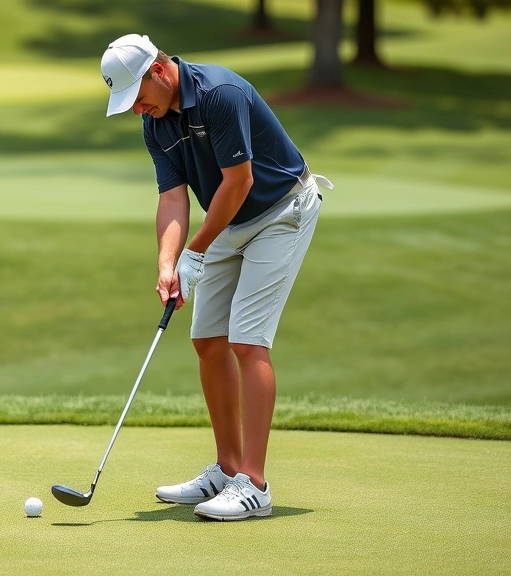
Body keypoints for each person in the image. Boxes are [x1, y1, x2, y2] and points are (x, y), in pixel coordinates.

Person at [100, 34, 333, 521]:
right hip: (228, 220)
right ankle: (227, 470)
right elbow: (172, 198)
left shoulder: (219, 94)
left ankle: (255, 484)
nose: (138, 110)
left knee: (248, 342)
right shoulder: (156, 124)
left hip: (280, 211)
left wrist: (196, 250)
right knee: (208, 340)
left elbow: (240, 180)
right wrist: (169, 262)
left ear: (159, 72)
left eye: (139, 97)